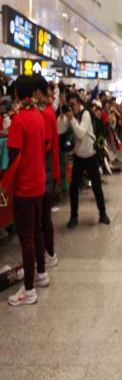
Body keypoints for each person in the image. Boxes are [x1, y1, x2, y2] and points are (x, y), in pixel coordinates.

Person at [7, 76, 48, 306]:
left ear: (16, 94)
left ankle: (29, 290)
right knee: (37, 231)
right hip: (38, 183)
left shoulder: (19, 120)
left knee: (26, 238)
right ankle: (41, 273)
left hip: (24, 186)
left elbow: (14, 157)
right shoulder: (39, 116)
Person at [59, 94, 110, 229]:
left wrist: (71, 118)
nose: (72, 107)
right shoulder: (71, 115)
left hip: (90, 155)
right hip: (78, 156)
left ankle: (103, 213)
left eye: (73, 104)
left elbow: (80, 133)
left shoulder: (85, 114)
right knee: (73, 188)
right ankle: (73, 217)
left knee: (96, 186)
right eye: (70, 105)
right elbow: (59, 129)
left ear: (79, 103)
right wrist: (62, 116)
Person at [33, 75, 60, 268]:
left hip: (46, 172)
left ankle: (49, 254)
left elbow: (45, 145)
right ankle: (48, 253)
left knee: (43, 217)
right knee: (44, 217)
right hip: (48, 171)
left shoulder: (47, 114)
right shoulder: (48, 111)